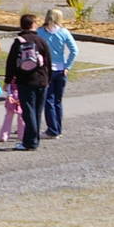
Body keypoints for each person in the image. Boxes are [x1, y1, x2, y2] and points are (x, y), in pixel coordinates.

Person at [6, 14, 52, 151]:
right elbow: (48, 61)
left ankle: (30, 142)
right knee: (37, 111)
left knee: (28, 111)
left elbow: (11, 63)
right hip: (42, 80)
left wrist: (8, 80)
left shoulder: (18, 41)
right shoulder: (41, 41)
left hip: (25, 80)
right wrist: (48, 79)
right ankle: (33, 139)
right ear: (33, 24)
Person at [37, 8, 78, 139]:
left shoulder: (40, 32)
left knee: (48, 100)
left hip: (47, 69)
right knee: (58, 101)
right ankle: (57, 128)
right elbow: (74, 50)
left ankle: (52, 129)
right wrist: (68, 66)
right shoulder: (63, 32)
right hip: (61, 69)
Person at [0, 77, 23, 143]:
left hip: (17, 95)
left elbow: (6, 86)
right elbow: (7, 86)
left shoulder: (12, 74)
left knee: (14, 117)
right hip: (16, 96)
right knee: (17, 117)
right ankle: (21, 135)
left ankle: (5, 135)